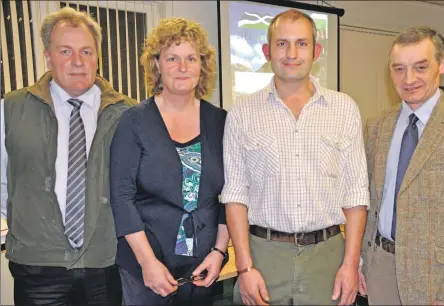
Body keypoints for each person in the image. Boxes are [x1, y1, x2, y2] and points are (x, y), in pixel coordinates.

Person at [221, 9, 369, 306]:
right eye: (282, 43)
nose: (291, 53)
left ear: (316, 51)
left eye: (301, 44)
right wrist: (245, 267)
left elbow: (356, 194)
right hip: (263, 258)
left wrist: (351, 265)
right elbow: (235, 195)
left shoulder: (344, 109)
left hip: (327, 259)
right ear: (267, 51)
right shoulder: (242, 113)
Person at [0, 7, 136, 305]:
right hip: (38, 269)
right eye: (66, 51)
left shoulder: (128, 113)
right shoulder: (11, 108)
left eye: (86, 51)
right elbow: (3, 183)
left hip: (105, 263)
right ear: (47, 55)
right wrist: (32, 221)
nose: (78, 62)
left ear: (97, 56)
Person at [109, 17, 230, 306]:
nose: (182, 67)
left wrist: (219, 252)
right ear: (157, 65)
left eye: (191, 58)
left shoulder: (221, 122)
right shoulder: (134, 122)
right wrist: (147, 263)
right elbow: (121, 198)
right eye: (172, 58)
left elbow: (231, 194)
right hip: (145, 267)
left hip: (202, 266)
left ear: (202, 65)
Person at [359, 26, 444, 305]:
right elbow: (369, 203)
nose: (409, 79)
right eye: (399, 69)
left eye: (421, 67)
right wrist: (361, 261)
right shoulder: (376, 127)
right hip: (380, 267)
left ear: (442, 63)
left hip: (439, 277)